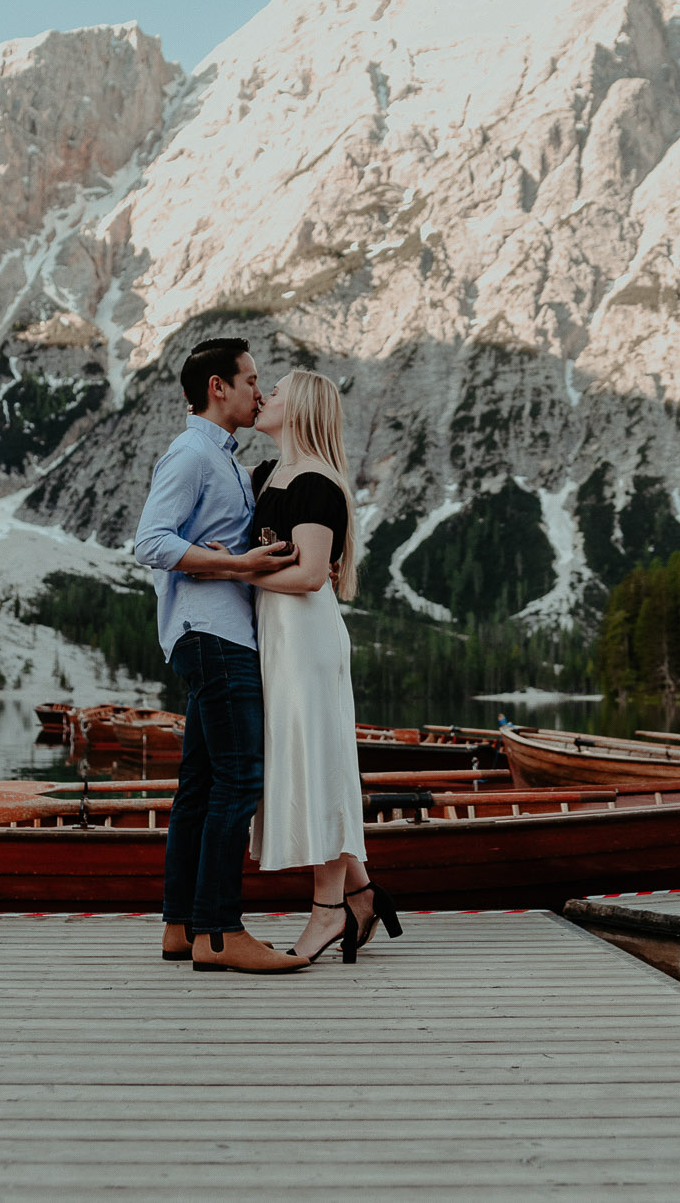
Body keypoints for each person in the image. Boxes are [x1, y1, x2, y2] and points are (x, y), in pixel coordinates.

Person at [131, 338, 308, 974]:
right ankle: (220, 930)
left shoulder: (224, 457)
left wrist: (242, 558)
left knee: (201, 787)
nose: (259, 391)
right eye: (251, 380)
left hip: (214, 633)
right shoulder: (193, 453)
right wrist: (235, 565)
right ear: (218, 387)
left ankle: (181, 926)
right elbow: (149, 542)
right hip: (214, 636)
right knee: (239, 780)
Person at [245, 370, 401, 961]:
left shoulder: (317, 483)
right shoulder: (266, 475)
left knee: (318, 764)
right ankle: (361, 893)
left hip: (306, 638)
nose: (264, 396)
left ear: (302, 407)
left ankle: (328, 910)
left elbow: (312, 575)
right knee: (307, 762)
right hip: (277, 636)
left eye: (276, 391)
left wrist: (235, 571)